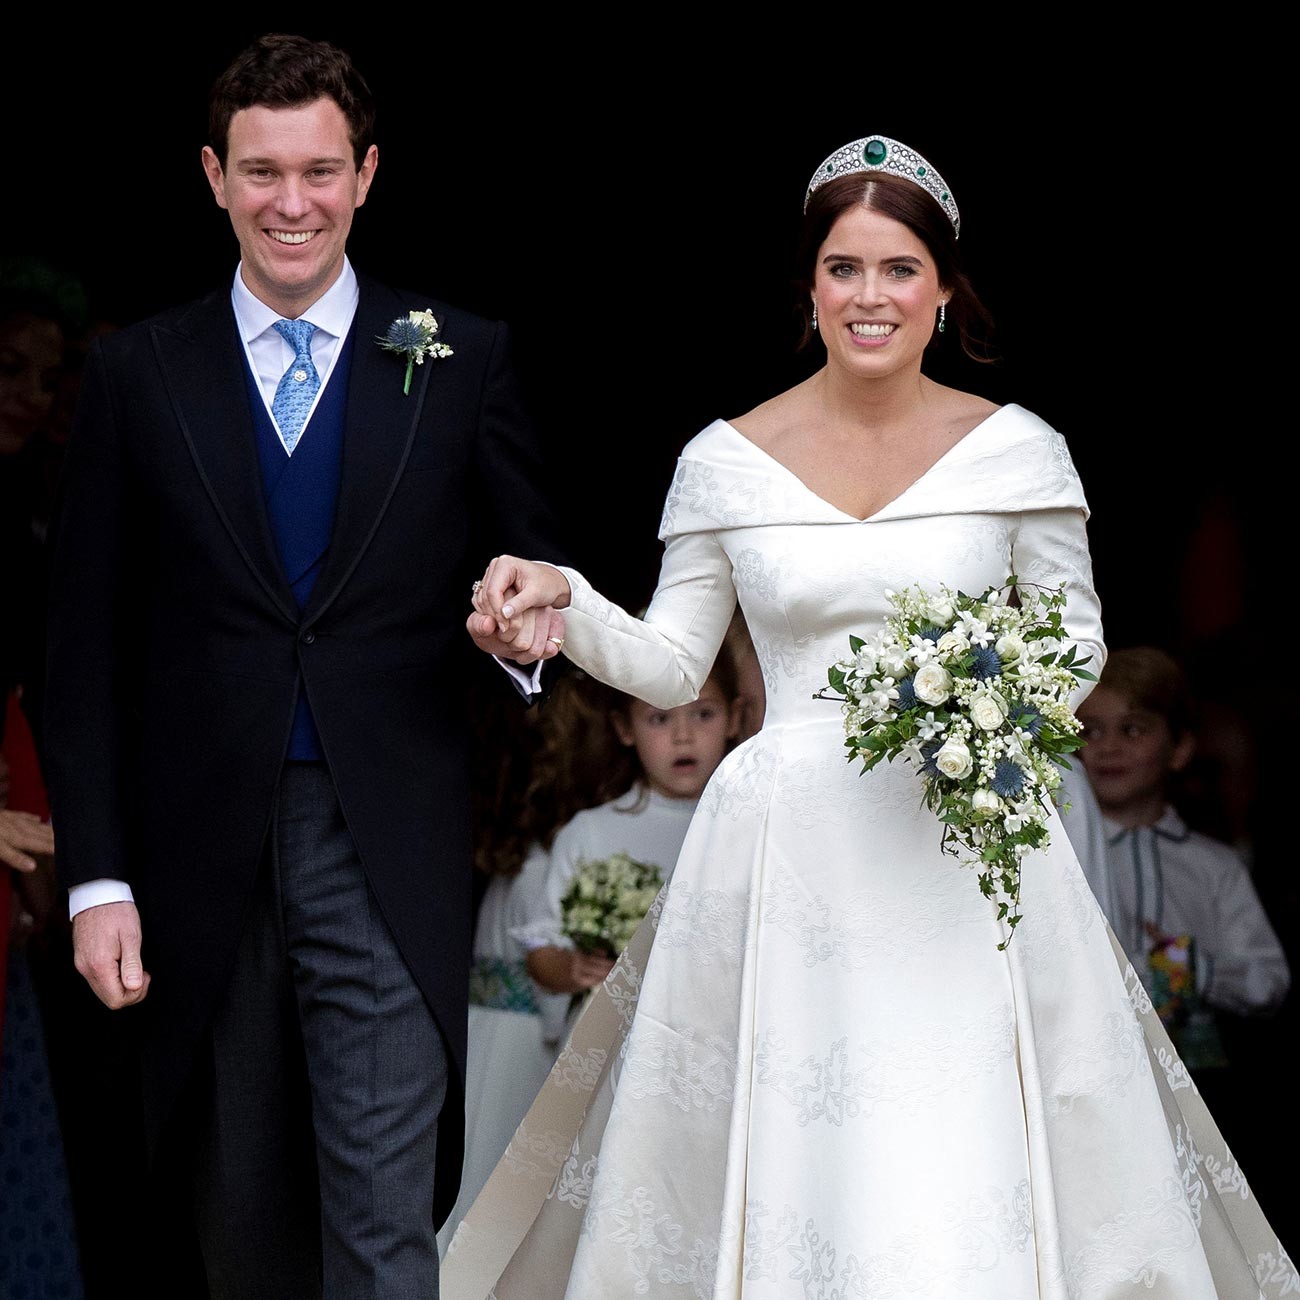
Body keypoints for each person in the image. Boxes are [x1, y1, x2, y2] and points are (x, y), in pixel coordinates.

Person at [452, 136, 1286, 1297]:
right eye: (843, 269)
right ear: (808, 287)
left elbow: (1076, 641)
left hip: (962, 848)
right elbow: (667, 660)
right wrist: (564, 600)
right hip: (784, 854)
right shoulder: (724, 460)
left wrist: (991, 703)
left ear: (944, 290)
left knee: (956, 1149)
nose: (869, 296)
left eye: (898, 269)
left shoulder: (1018, 448)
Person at [44, 33, 566, 1299]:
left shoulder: (456, 356)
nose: (293, 203)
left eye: (321, 171)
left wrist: (525, 629)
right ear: (213, 176)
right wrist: (96, 877)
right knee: (240, 1217)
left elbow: (535, 570)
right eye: (263, 172)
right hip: (191, 853)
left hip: (382, 835)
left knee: (384, 1221)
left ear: (368, 174)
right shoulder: (133, 372)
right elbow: (79, 642)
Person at [438, 661, 739, 1253]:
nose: (683, 735)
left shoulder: (741, 828)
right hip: (606, 1058)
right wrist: (571, 969)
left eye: (702, 714)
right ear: (625, 728)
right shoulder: (591, 833)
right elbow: (541, 951)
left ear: (735, 719)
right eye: (660, 718)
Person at [1075, 647, 1289, 1050]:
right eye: (1091, 731)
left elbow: (1268, 982)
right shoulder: (1063, 856)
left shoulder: (1214, 866)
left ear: (1180, 749)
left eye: (1133, 729)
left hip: (1198, 1077)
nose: (1108, 748)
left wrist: (1189, 969)